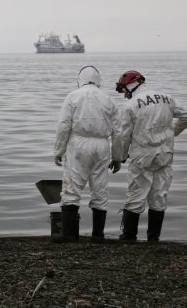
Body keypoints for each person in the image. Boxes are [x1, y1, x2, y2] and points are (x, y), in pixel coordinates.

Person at [52, 66, 122, 244]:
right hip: (102, 145)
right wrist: (117, 157)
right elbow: (118, 131)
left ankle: (68, 236)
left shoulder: (73, 96)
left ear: (80, 79)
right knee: (100, 188)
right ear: (98, 80)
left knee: (72, 187)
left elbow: (63, 126)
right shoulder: (108, 99)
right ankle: (98, 236)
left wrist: (58, 151)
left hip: (78, 144)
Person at [116, 70, 187, 242]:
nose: (124, 95)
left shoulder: (130, 106)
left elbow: (123, 135)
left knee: (136, 194)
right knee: (159, 195)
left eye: (124, 90)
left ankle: (129, 236)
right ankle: (153, 239)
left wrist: (120, 156)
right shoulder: (167, 98)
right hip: (165, 154)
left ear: (131, 85)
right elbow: (186, 116)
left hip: (142, 155)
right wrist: (172, 133)